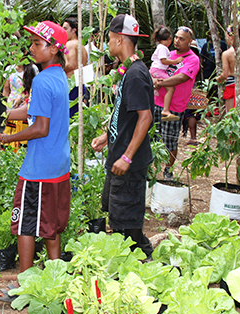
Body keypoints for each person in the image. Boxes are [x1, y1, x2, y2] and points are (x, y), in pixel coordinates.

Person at [0, 20, 70, 302]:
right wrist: (5, 113)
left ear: (54, 49)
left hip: (39, 169)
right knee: (51, 225)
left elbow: (40, 127)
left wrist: (7, 138)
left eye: (37, 43)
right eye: (32, 42)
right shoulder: (58, 75)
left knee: (25, 225)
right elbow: (35, 112)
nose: (32, 48)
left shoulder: (44, 79)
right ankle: (54, 279)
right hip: (58, 164)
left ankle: (23, 286)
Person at [91, 14, 154, 257]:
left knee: (125, 221)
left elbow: (145, 117)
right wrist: (108, 136)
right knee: (119, 213)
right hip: (121, 154)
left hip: (129, 161)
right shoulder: (129, 70)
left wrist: (126, 157)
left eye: (109, 39)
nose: (108, 44)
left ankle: (139, 259)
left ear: (119, 39)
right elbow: (126, 115)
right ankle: (140, 254)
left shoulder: (136, 73)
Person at [152, 26, 200, 180]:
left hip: (175, 107)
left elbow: (182, 78)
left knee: (170, 140)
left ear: (190, 42)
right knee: (151, 136)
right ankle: (148, 169)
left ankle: (168, 171)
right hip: (156, 102)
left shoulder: (192, 59)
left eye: (182, 39)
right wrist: (154, 80)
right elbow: (154, 68)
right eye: (177, 37)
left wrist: (162, 82)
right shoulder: (167, 53)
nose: (178, 41)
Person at [2, 60, 39, 150]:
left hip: (25, 105)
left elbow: (35, 89)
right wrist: (3, 104)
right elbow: (6, 89)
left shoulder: (33, 69)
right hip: (11, 105)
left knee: (23, 140)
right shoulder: (9, 69)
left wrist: (22, 97)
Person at [150, 26, 183, 122]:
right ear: (169, 39)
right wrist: (175, 61)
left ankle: (155, 89)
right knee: (171, 87)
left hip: (157, 70)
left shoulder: (161, 47)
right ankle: (165, 109)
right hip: (158, 70)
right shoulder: (163, 48)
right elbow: (163, 61)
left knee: (162, 83)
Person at [62, 17, 89, 118]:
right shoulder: (83, 47)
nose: (63, 31)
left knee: (68, 116)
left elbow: (71, 65)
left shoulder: (70, 44)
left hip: (71, 85)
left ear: (74, 30)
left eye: (65, 28)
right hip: (80, 84)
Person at [200, 31, 227, 96]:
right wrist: (200, 65)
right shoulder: (206, 45)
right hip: (208, 71)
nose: (211, 35)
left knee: (219, 88)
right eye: (210, 34)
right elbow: (202, 57)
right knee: (209, 89)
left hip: (219, 70)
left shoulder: (222, 44)